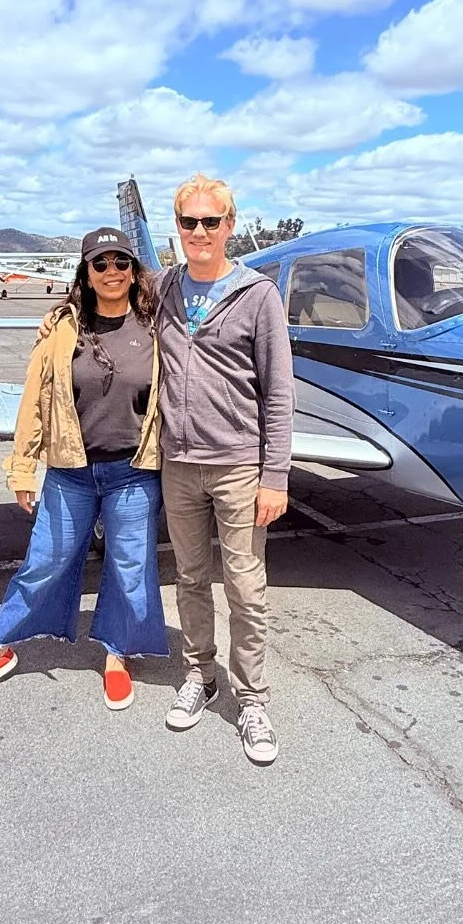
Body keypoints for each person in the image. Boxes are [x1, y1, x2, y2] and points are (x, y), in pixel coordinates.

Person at [0, 227, 168, 709]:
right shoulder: (62, 329)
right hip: (72, 471)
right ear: (86, 274)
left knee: (131, 567)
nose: (111, 271)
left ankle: (118, 654)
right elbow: (34, 401)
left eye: (121, 262)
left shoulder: (156, 327)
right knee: (45, 561)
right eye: (100, 263)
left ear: (134, 272)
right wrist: (22, 468)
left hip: (134, 471)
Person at [156, 174, 294, 764]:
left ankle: (253, 700)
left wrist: (275, 476)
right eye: (189, 222)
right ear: (178, 227)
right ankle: (200, 675)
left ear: (229, 226)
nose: (199, 232)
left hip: (238, 466)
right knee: (190, 577)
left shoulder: (258, 295)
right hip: (179, 463)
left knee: (245, 586)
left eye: (210, 221)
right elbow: (102, 304)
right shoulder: (164, 286)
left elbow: (279, 393)